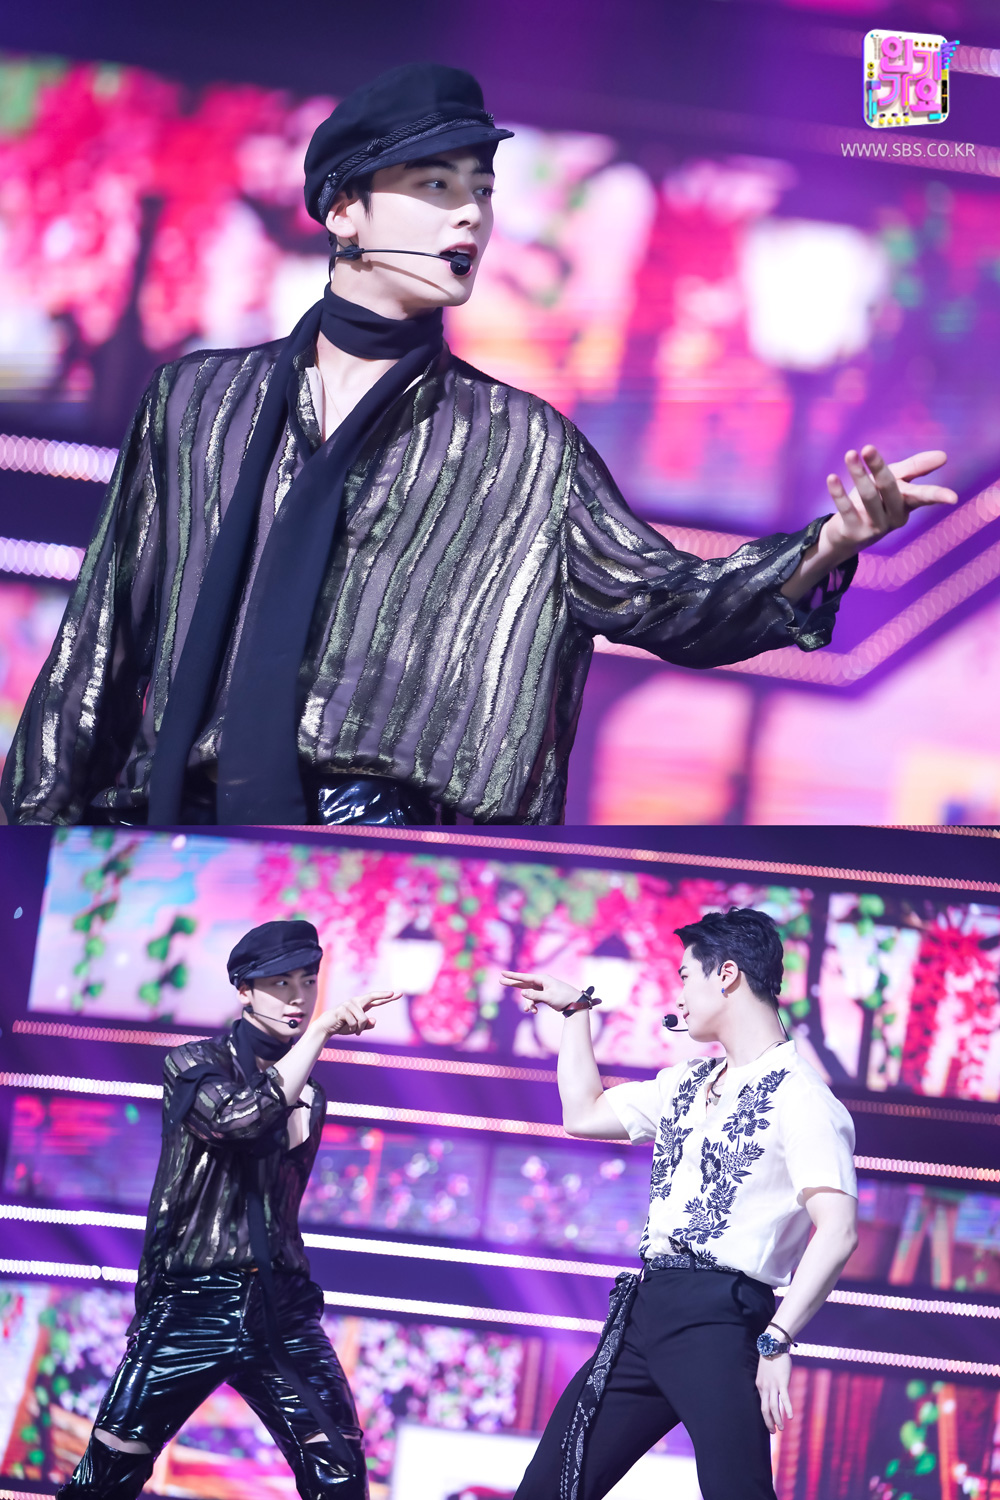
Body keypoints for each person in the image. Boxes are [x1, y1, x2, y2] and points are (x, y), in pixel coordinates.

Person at [0, 62, 958, 827]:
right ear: (344, 210)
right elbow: (96, 651)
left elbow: (671, 603)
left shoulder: (526, 449)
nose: (470, 214)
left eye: (482, 191)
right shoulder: (198, 403)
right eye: (434, 186)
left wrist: (830, 542)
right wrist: (28, 848)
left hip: (389, 846)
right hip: (173, 827)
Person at [500, 906, 858, 1500]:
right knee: (550, 1487)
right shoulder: (687, 1082)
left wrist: (777, 1338)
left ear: (727, 975)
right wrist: (575, 1013)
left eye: (685, 976)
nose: (679, 996)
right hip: (646, 1310)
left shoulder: (804, 1101)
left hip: (720, 1319)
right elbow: (583, 1114)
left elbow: (839, 1231)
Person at [57, 919, 399, 1500]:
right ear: (244, 989)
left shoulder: (311, 1093)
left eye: (308, 981)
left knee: (340, 1467)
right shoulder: (193, 1064)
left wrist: (309, 1050)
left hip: (281, 1309)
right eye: (280, 983)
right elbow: (239, 1122)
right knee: (109, 1474)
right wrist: (320, 1034)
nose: (298, 998)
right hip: (194, 1302)